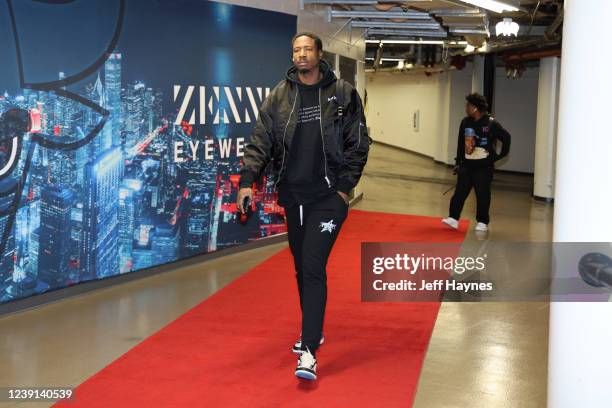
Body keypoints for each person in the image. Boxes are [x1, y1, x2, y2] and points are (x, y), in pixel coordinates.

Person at [236, 32, 369, 380]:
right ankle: (315, 328)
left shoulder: (342, 94)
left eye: (307, 49)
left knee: (312, 266)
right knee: (301, 266)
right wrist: (248, 181)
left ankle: (309, 349)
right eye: (296, 50)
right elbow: (260, 140)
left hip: (328, 198)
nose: (301, 55)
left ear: (319, 54)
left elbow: (358, 143)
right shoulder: (280, 95)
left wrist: (343, 189)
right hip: (293, 196)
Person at [442, 93, 511, 232]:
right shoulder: (465, 122)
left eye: (468, 105)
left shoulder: (491, 122)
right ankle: (453, 218)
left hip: (483, 168)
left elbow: (506, 137)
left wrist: (499, 156)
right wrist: (458, 161)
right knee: (460, 192)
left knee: (482, 194)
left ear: (475, 107)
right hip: (467, 166)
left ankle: (482, 222)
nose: (466, 108)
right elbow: (461, 143)